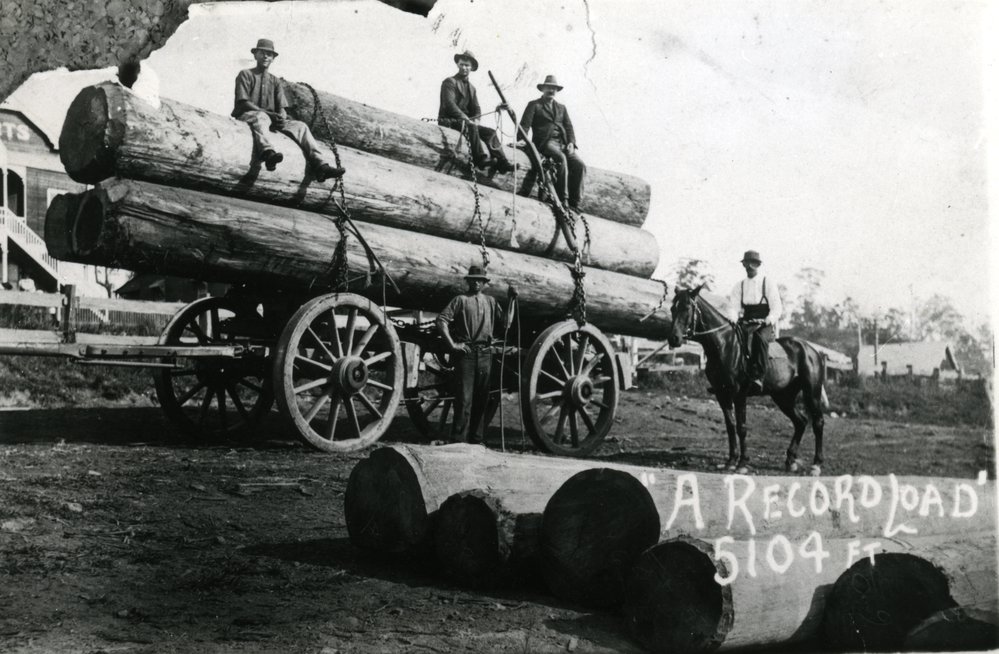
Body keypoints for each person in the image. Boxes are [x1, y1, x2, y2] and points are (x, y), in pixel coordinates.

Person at [232, 39, 345, 182]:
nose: (266, 57)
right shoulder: (246, 74)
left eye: (269, 54)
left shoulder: (275, 81)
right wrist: (268, 114)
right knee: (261, 117)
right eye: (262, 53)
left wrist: (281, 117)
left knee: (301, 127)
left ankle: (321, 165)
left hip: (270, 119)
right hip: (250, 116)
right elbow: (243, 102)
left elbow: (282, 107)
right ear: (255, 55)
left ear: (273, 59)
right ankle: (268, 153)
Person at [436, 266, 516, 444]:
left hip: (485, 354)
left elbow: (506, 323)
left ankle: (476, 441)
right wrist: (453, 345)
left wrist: (511, 299)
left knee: (482, 400)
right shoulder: (460, 300)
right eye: (473, 279)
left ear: (485, 283)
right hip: (467, 354)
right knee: (464, 400)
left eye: (480, 279)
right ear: (468, 281)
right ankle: (458, 441)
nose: (476, 282)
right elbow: (442, 320)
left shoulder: (491, 302)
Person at [438, 50, 514, 174]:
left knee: (490, 132)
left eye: (467, 65)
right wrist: (465, 118)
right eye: (462, 64)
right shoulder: (449, 82)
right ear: (457, 64)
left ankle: (502, 162)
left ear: (472, 68)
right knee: (472, 127)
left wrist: (477, 119)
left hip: (466, 123)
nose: (464, 67)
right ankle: (480, 159)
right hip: (449, 120)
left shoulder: (472, 88)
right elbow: (449, 105)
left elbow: (476, 108)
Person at [518, 75, 587, 210]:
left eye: (554, 88)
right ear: (543, 89)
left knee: (580, 165)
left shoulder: (562, 108)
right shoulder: (534, 105)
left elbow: (569, 127)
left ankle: (575, 202)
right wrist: (521, 139)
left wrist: (571, 142)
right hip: (545, 142)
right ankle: (563, 199)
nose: (551, 90)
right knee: (561, 159)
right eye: (549, 87)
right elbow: (524, 125)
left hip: (563, 143)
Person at [727, 250, 783, 392]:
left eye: (753, 263)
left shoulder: (767, 283)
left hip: (764, 323)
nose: (750, 267)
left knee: (759, 339)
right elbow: (733, 307)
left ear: (758, 265)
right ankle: (730, 376)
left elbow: (777, 307)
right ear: (744, 264)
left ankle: (759, 377)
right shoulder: (739, 286)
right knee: (731, 339)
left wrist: (769, 320)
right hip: (746, 322)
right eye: (747, 263)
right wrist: (733, 318)